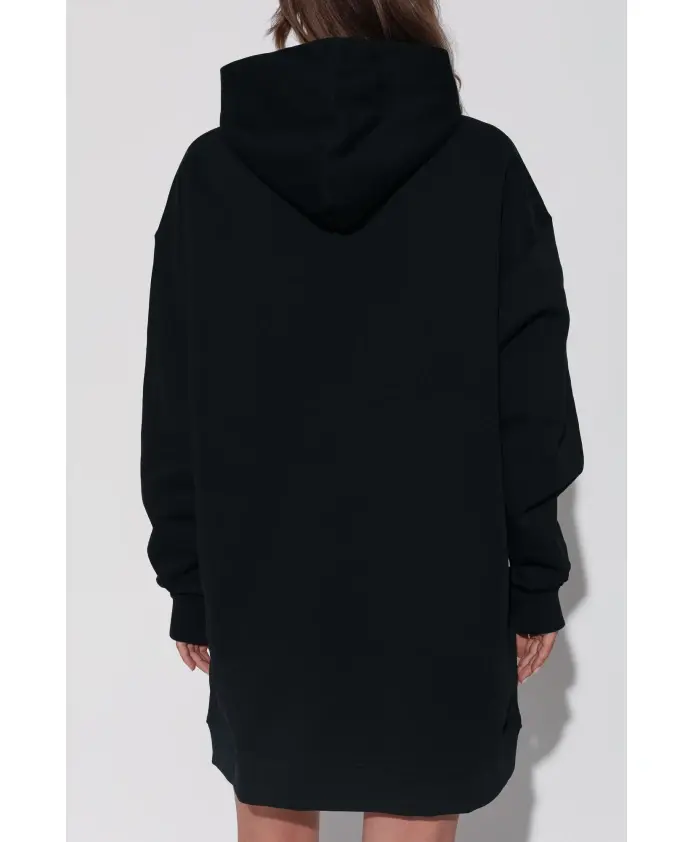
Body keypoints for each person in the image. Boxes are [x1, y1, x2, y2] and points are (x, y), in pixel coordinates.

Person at [141, 1, 583, 839]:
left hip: (262, 578)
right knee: (418, 790)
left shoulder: (211, 173)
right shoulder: (482, 167)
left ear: (296, 9)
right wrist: (533, 579)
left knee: (272, 795)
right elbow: (530, 399)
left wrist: (189, 582)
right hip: (440, 581)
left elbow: (173, 399)